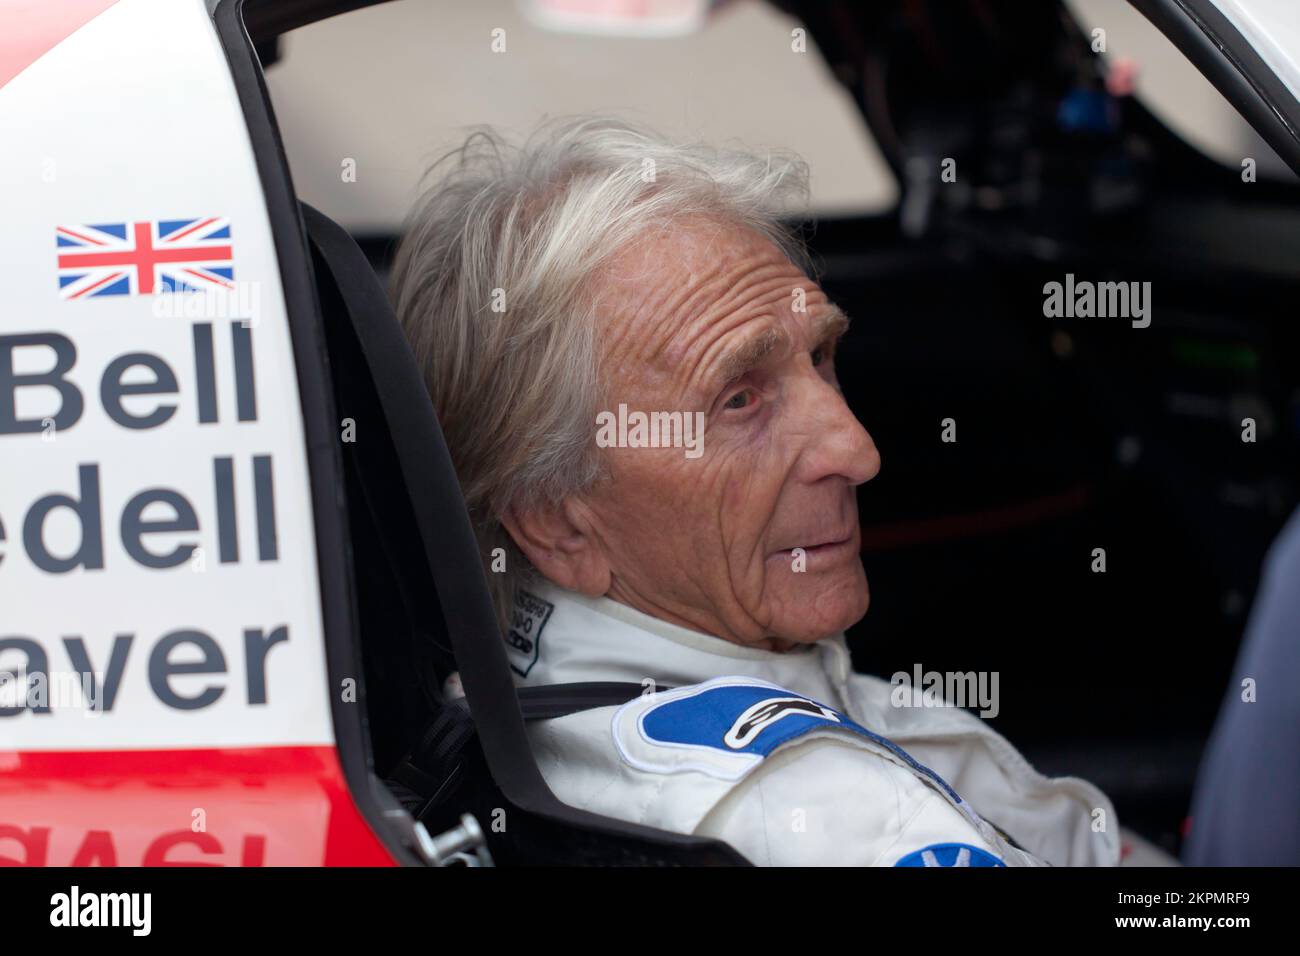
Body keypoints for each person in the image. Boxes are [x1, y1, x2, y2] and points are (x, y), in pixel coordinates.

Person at [391, 117, 1118, 866]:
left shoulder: (488, 711)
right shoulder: (846, 818)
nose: (858, 451)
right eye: (738, 400)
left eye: (823, 355)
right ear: (556, 523)